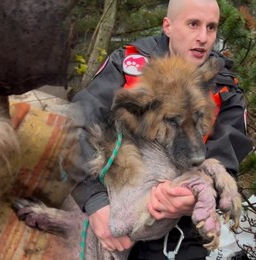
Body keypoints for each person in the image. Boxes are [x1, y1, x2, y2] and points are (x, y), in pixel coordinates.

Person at [69, 0, 254, 259]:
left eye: (211, 27)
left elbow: (227, 151)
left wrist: (194, 196)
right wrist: (94, 201)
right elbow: (74, 125)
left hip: (183, 231)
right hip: (111, 206)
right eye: (193, 24)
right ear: (167, 25)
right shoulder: (126, 64)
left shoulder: (225, 86)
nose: (203, 37)